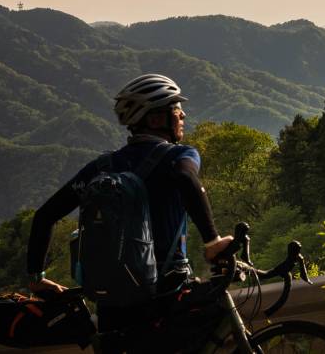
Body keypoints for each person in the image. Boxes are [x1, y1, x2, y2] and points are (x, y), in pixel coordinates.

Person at [26, 73, 232, 336]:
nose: (183, 117)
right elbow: (185, 177)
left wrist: (36, 279)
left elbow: (45, 216)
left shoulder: (101, 168)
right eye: (177, 110)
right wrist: (213, 242)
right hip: (166, 294)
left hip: (112, 303)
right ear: (156, 119)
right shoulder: (180, 155)